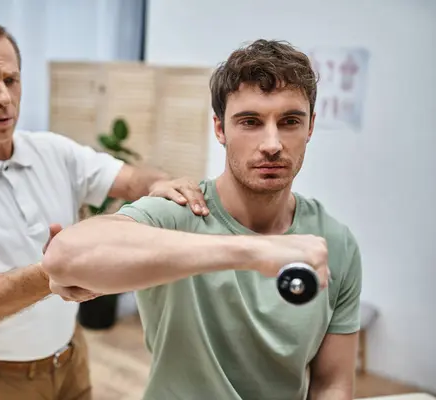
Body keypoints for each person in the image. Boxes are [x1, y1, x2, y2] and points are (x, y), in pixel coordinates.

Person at [0, 15, 210, 400]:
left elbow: (131, 178)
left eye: (11, 79)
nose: (4, 97)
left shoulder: (53, 151)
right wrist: (54, 272)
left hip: (70, 358)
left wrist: (159, 183)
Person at [42, 39, 363, 400]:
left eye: (290, 121)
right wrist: (254, 252)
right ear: (220, 129)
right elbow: (64, 257)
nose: (272, 143)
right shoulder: (179, 211)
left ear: (310, 127)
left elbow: (332, 382)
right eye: (250, 122)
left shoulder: (335, 242)